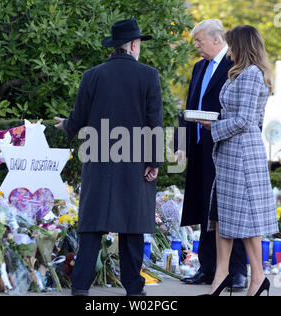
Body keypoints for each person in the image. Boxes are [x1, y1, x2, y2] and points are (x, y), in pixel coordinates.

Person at [54, 18, 163, 296]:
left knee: (92, 227)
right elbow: (155, 123)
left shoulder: (92, 75)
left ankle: (80, 287)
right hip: (135, 159)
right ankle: (134, 290)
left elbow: (78, 118)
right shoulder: (149, 75)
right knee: (132, 228)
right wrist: (153, 162)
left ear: (115, 46)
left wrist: (66, 125)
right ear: (135, 45)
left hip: (98, 157)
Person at [197, 25, 279, 296]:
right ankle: (221, 277)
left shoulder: (252, 74)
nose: (229, 50)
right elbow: (249, 119)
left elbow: (246, 120)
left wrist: (214, 127)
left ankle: (258, 278)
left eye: (232, 45)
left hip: (243, 156)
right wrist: (215, 122)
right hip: (230, 154)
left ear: (243, 46)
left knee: (246, 221)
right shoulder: (239, 73)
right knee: (221, 217)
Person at [175, 20, 248, 291]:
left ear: (217, 40)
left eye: (199, 41)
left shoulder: (236, 65)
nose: (196, 46)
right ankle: (208, 268)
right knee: (205, 210)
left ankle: (237, 271)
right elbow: (189, 108)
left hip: (225, 148)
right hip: (198, 148)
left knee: (227, 212)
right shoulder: (199, 67)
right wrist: (180, 145)